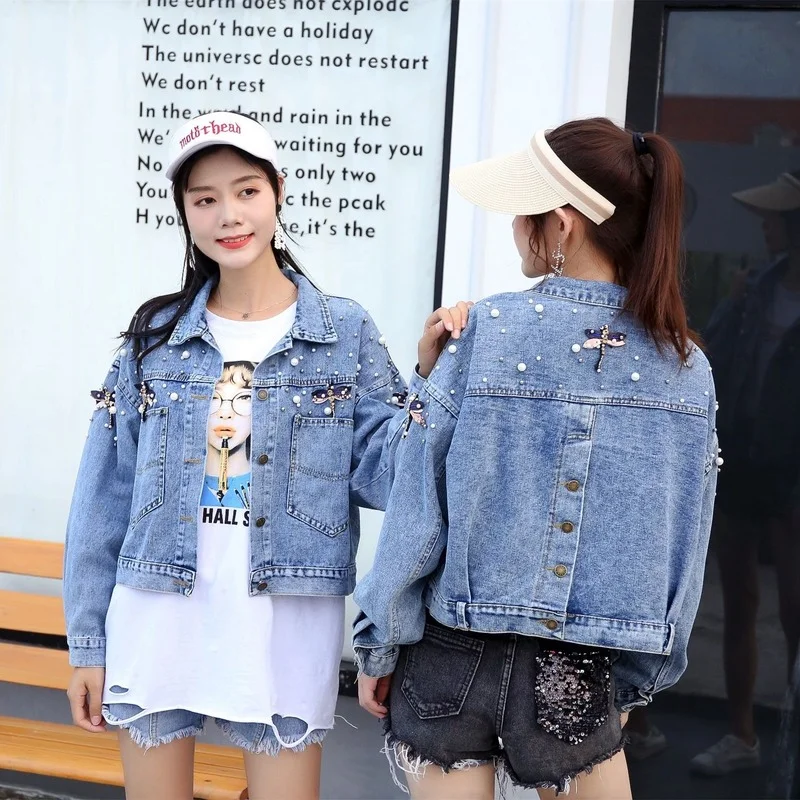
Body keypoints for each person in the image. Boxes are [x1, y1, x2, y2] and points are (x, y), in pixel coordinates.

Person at [63, 111, 470, 800]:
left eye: (246, 191)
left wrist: (429, 378)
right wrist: (88, 643)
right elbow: (102, 494)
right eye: (205, 199)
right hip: (156, 611)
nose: (228, 214)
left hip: (284, 619)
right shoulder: (154, 338)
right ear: (184, 212)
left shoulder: (343, 332)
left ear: (278, 191)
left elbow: (391, 478)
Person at [353, 118, 720, 800]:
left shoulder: (482, 333)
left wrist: (381, 640)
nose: (515, 229)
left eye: (523, 212)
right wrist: (638, 677)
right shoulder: (682, 365)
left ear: (562, 223)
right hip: (578, 671)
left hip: (450, 654)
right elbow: (683, 544)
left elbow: (416, 506)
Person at [691, 171, 800, 776]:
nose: (765, 226)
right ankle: (743, 734)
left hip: (792, 472)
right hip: (746, 459)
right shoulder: (756, 287)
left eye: (776, 217)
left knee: (794, 611)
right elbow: (715, 356)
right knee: (738, 602)